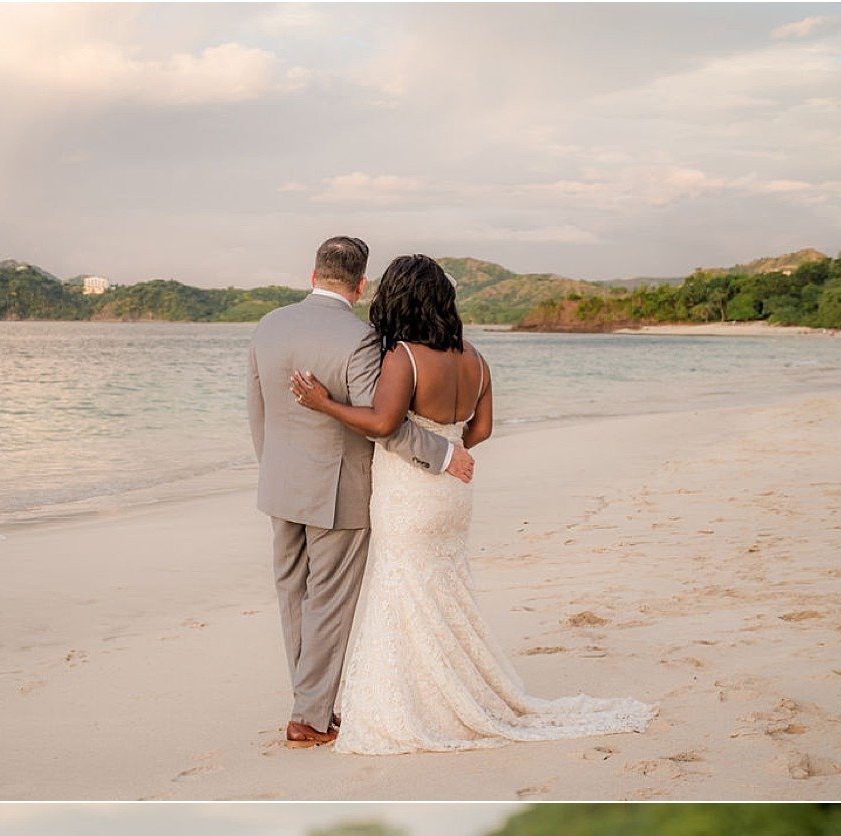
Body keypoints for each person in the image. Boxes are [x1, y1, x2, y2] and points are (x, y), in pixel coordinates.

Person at [290, 254, 657, 755]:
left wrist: (323, 404)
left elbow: (382, 423)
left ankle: (420, 704)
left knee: (405, 589)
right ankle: (453, 693)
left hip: (410, 491)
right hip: (453, 496)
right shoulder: (475, 357)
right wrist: (451, 447)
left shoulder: (405, 356)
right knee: (444, 589)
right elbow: (480, 430)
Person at [247, 236, 475, 749]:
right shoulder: (363, 340)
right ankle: (309, 716)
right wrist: (442, 454)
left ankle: (311, 705)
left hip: (279, 484)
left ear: (313, 274)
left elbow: (257, 411)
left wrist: (274, 470)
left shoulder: (268, 326)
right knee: (328, 602)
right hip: (339, 490)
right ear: (361, 284)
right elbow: (383, 423)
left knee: (294, 596)